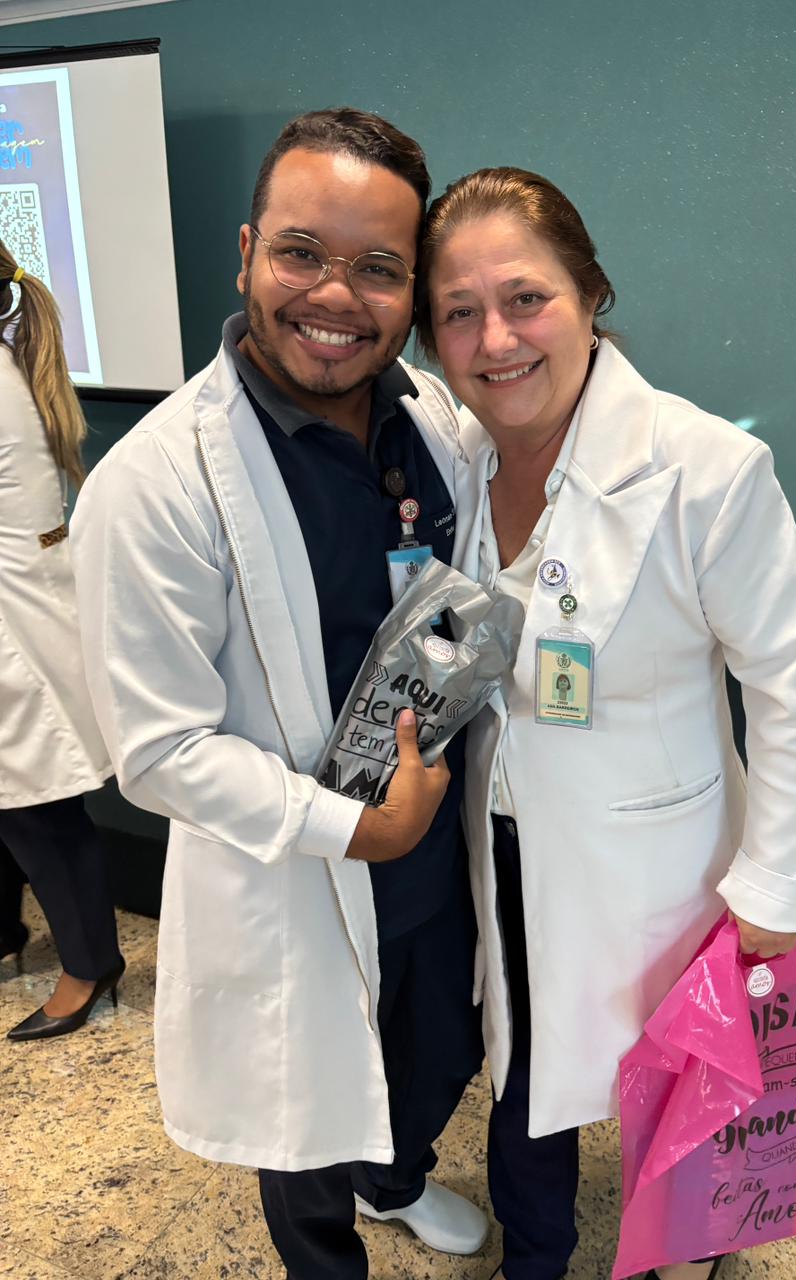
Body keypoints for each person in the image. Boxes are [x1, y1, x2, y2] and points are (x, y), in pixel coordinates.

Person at [71, 110, 486, 1280]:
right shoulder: (157, 482)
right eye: (303, 251)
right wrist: (358, 827)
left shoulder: (432, 419)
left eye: (379, 267)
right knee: (301, 1103)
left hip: (434, 837)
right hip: (298, 859)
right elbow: (159, 748)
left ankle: (395, 1178)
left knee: (438, 1044)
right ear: (248, 251)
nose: (336, 296)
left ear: (412, 289)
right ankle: (323, 1248)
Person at [418, 168, 796, 1280]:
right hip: (506, 838)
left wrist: (774, 883)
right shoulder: (462, 461)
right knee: (526, 1069)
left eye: (526, 298)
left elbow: (791, 683)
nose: (495, 338)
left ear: (590, 293)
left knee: (675, 1079)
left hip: (662, 861)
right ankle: (537, 1254)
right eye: (458, 312)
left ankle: (684, 1245)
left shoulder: (705, 468)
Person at [0, 243, 125, 1040]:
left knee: (38, 811)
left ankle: (89, 965)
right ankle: (8, 933)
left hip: (13, 627)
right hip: (25, 606)